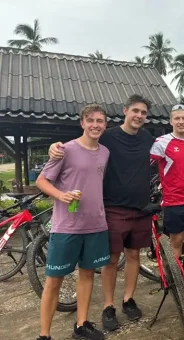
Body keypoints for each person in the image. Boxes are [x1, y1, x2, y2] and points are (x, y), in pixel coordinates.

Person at [49, 94, 155, 331]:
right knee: (111, 259)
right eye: (135, 111)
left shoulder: (148, 137)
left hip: (140, 207)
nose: (139, 116)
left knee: (134, 255)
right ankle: (108, 306)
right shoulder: (107, 135)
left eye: (143, 113)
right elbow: (82, 143)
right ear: (125, 110)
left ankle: (128, 298)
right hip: (113, 207)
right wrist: (54, 147)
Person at [36, 104, 110, 340]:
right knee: (54, 280)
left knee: (87, 275)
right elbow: (42, 181)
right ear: (82, 123)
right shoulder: (64, 150)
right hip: (66, 226)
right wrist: (60, 195)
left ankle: (81, 324)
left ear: (105, 124)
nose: (95, 125)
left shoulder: (105, 152)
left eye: (100, 121)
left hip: (96, 224)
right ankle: (44, 335)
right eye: (91, 120)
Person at [150, 104, 184, 298]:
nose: (181, 122)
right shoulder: (161, 142)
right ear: (171, 121)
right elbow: (147, 164)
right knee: (176, 241)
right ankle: (176, 275)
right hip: (173, 200)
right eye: (177, 118)